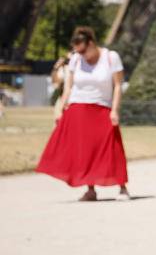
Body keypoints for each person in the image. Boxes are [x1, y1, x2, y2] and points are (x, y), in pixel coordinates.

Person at [36, 26, 132, 202]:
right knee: (84, 150)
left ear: (92, 43)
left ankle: (122, 187)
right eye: (77, 51)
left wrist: (115, 109)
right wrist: (61, 108)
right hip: (78, 107)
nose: (81, 54)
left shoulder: (111, 58)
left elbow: (118, 85)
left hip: (102, 107)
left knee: (112, 147)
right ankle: (90, 189)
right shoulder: (76, 60)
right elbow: (69, 86)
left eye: (83, 50)